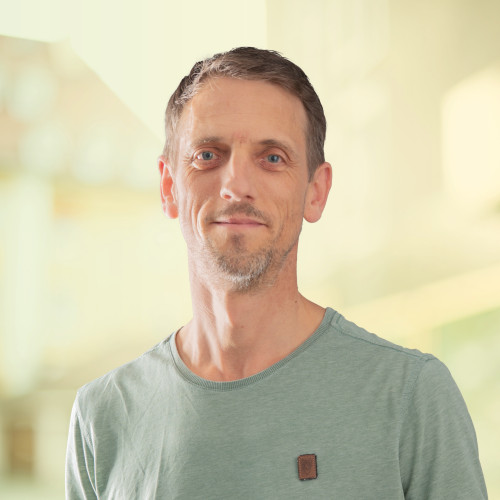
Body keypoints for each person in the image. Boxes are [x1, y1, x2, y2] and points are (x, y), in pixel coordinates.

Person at [65, 47, 488, 499]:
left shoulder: (410, 396)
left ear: (316, 192)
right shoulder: (102, 416)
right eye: (207, 155)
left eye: (271, 158)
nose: (236, 185)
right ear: (169, 187)